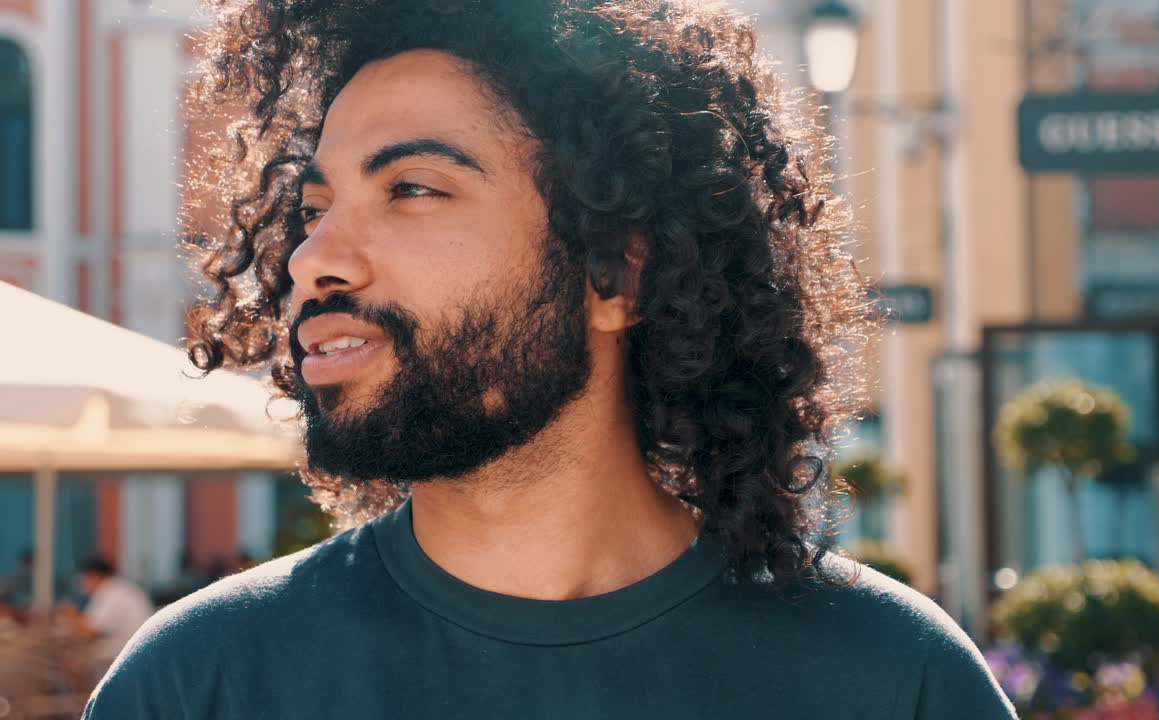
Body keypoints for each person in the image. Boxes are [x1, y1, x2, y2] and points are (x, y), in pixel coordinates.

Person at [83, 0, 1017, 717]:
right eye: (317, 203)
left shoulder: (889, 678)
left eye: (411, 188)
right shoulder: (199, 683)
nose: (312, 255)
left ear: (615, 273)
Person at [60, 555, 153, 686]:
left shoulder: (111, 592)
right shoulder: (119, 588)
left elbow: (87, 633)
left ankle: (89, 702)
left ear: (95, 576)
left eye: (84, 580)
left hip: (128, 650)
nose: (83, 585)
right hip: (134, 647)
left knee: (73, 660)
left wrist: (71, 615)